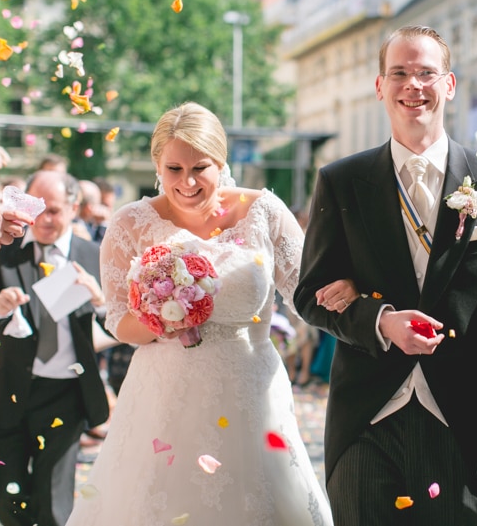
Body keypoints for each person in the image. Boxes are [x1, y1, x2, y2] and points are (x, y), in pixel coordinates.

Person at [295, 26, 477, 526]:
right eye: (400, 73)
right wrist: (379, 319)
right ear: (380, 86)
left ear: (449, 84)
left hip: (463, 415)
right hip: (367, 414)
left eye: (426, 73)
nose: (414, 85)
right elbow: (311, 295)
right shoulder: (341, 181)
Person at [65, 102, 332, 525]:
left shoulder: (263, 210)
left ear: (221, 162)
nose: (187, 182)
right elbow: (118, 321)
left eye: (200, 168)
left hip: (251, 389)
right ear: (157, 165)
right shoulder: (130, 223)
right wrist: (162, 318)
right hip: (165, 395)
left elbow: (311, 293)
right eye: (174, 169)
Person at [0, 171, 108, 526]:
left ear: (74, 207)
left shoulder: (95, 255)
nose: (43, 220)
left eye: (54, 211)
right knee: (3, 485)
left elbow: (123, 321)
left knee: (54, 499)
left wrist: (101, 302)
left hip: (66, 392)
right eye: (36, 209)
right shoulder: (5, 249)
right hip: (7, 386)